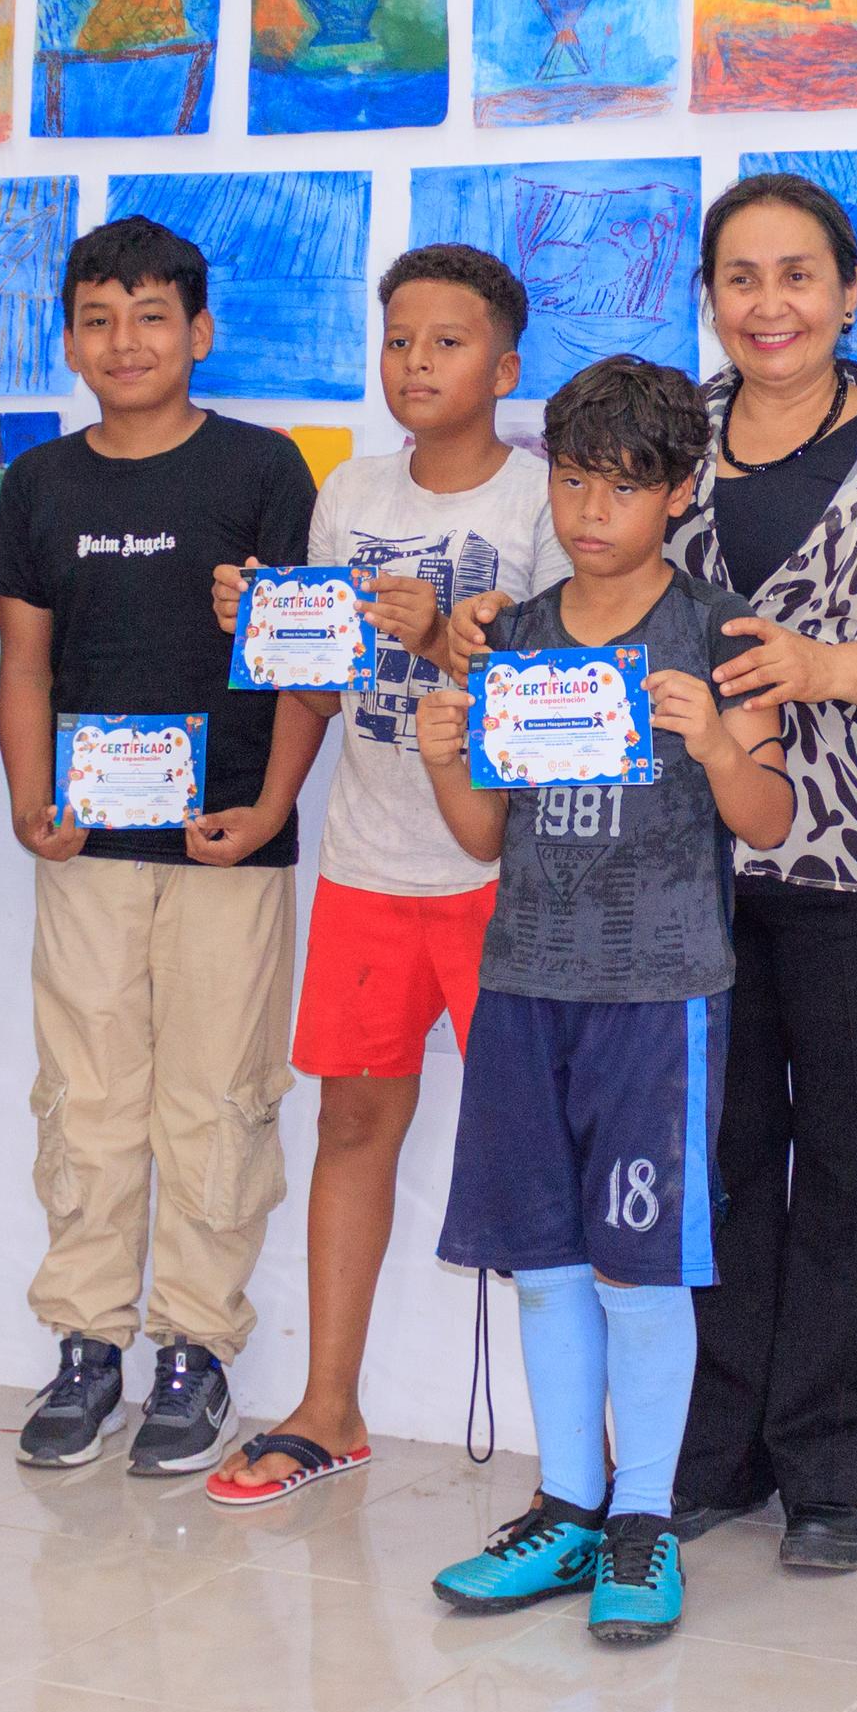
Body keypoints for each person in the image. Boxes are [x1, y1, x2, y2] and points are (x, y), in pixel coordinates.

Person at [418, 361, 791, 1644]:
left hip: (658, 995)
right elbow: (483, 835)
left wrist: (717, 742)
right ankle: (567, 1504)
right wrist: (443, 761)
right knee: (543, 1265)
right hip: (526, 980)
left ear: (679, 493)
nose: (590, 511)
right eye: (573, 481)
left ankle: (644, 1518)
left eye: (623, 487)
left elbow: (769, 818)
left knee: (640, 1274)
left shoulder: (722, 635)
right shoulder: (511, 637)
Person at [656, 174, 857, 1576]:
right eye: (741, 276)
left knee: (850, 1162)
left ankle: (838, 1470)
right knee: (720, 1161)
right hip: (689, 857)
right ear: (710, 298)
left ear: (850, 292)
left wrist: (825, 666)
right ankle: (717, 1449)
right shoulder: (673, 442)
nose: (769, 303)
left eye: (798, 274)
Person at [201, 245, 565, 1510]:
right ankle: (328, 1405)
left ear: (504, 369)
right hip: (365, 865)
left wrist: (449, 646)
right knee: (351, 1125)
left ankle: (578, 1448)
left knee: (538, 1142)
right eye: (398, 339)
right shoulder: (347, 491)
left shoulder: (544, 501)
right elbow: (315, 683)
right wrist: (265, 649)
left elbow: (568, 700)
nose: (415, 362)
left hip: (503, 872)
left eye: (446, 342)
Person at [0, 217, 328, 1473]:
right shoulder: (40, 482)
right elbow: (26, 665)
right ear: (69, 338)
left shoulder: (262, 467)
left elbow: (306, 656)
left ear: (199, 330)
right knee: (85, 1096)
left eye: (148, 315)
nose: (122, 341)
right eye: (96, 318)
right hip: (87, 850)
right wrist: (30, 800)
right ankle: (86, 1341)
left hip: (227, 840)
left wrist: (273, 806)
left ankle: (196, 1346)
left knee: (215, 1098)